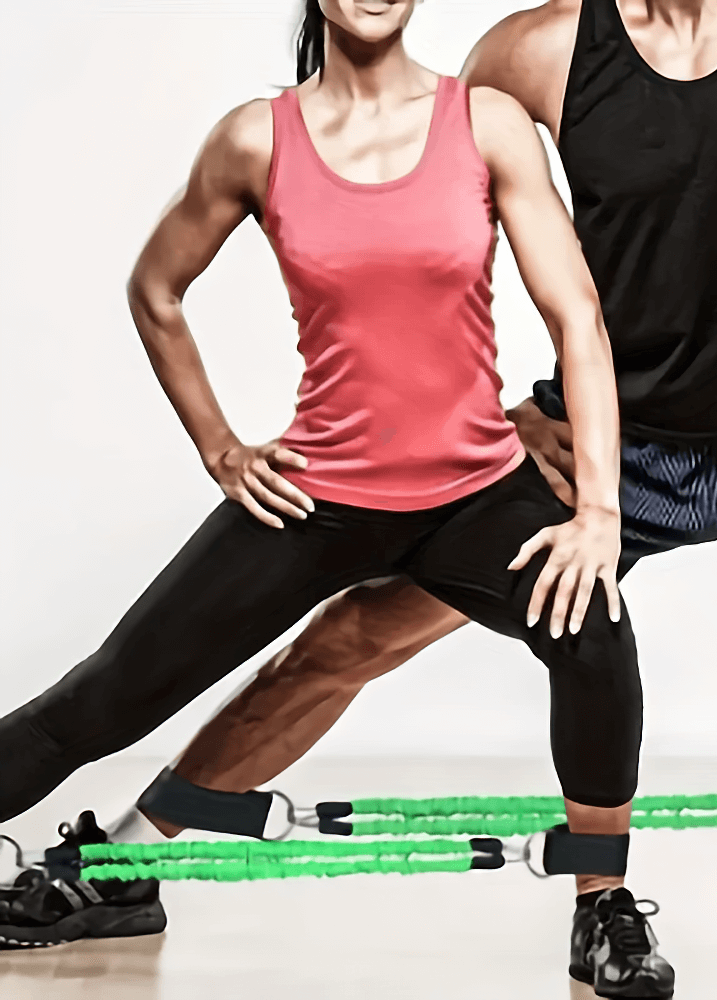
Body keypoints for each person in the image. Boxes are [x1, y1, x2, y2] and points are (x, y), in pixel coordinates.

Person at [6, 0, 717, 986]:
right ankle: (130, 852)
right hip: (614, 430)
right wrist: (491, 412)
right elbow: (432, 224)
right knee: (351, 639)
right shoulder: (533, 53)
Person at [0, 1, 677, 995]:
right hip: (318, 494)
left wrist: (598, 515)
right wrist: (220, 447)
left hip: (474, 492)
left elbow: (577, 316)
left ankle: (602, 907)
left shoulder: (485, 124)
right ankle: (123, 873)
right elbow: (156, 289)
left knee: (596, 630)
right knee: (108, 695)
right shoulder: (254, 138)